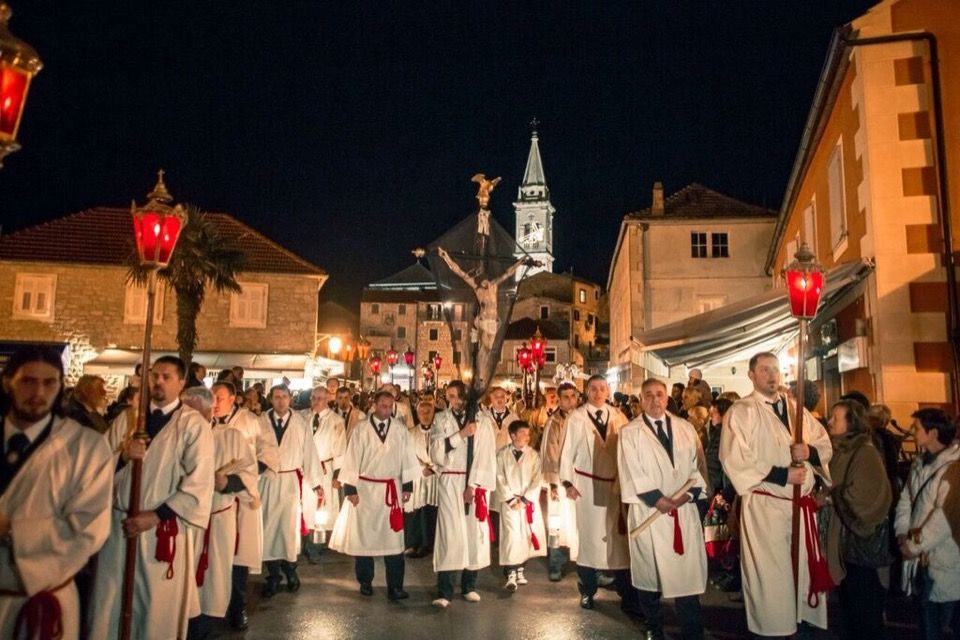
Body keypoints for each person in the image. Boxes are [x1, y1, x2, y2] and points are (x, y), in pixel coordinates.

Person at [91, 355, 215, 640]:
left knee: (155, 608)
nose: (158, 381)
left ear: (181, 383)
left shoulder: (193, 425)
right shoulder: (128, 419)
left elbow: (199, 482)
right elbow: (95, 467)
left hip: (161, 527)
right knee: (111, 602)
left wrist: (156, 515)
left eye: (167, 377)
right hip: (120, 525)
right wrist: (122, 457)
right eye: (154, 375)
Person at [0, 346, 113, 640]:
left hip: (43, 602)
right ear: (7, 382)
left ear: (61, 386)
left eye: (49, 382)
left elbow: (89, 528)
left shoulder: (85, 447)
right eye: (27, 381)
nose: (38, 391)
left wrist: (14, 531)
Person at [720, 352, 833, 638]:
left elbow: (824, 442)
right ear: (752, 375)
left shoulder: (797, 409)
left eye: (776, 369)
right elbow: (734, 457)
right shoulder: (741, 411)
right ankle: (774, 631)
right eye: (765, 370)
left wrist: (810, 452)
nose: (772, 375)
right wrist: (782, 475)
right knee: (772, 579)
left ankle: (800, 625)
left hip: (800, 508)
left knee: (801, 575)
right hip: (766, 509)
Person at [619, 378, 708, 639]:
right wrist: (657, 499)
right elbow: (631, 470)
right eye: (649, 395)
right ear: (641, 399)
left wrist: (690, 494)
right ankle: (654, 627)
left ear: (668, 398)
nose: (655, 400)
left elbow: (696, 468)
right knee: (650, 575)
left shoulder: (685, 428)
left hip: (682, 510)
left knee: (685, 576)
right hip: (650, 513)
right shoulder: (629, 433)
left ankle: (692, 631)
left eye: (660, 394)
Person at [181, 386, 257, 640]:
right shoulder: (175, 436)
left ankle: (207, 624)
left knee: (215, 579)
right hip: (184, 522)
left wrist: (228, 483)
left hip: (218, 516)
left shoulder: (232, 437)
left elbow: (248, 474)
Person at [329, 390, 417, 600]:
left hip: (390, 489)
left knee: (393, 540)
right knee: (365, 538)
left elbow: (407, 457)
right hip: (366, 490)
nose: (386, 410)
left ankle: (395, 586)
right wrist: (350, 489)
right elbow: (351, 458)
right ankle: (365, 581)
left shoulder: (399, 429)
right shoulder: (361, 429)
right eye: (383, 406)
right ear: (374, 405)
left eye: (390, 406)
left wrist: (407, 485)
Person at [559, 375, 635, 612]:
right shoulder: (577, 418)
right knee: (589, 540)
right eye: (593, 389)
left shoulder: (619, 417)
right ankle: (587, 590)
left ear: (608, 391)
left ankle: (627, 594)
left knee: (619, 541)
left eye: (602, 388)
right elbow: (566, 450)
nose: (598, 393)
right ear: (587, 392)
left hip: (614, 487)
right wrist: (567, 482)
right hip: (587, 486)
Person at [818, 399, 891, 640]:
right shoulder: (843, 451)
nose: (830, 422)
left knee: (864, 616)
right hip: (847, 548)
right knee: (852, 613)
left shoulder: (865, 452)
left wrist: (831, 497)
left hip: (861, 551)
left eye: (836, 418)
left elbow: (863, 498)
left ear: (851, 423)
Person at [212, 380, 278, 632]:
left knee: (237, 554)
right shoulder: (203, 422)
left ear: (233, 399)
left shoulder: (251, 421)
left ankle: (237, 606)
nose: (215, 403)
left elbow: (267, 452)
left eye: (220, 398)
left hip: (242, 497)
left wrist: (247, 475)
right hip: (212, 501)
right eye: (212, 398)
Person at [429, 380, 497, 608]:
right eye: (450, 396)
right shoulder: (441, 419)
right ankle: (445, 589)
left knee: (472, 534)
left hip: (472, 483)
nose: (453, 401)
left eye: (457, 396)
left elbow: (485, 454)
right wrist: (461, 434)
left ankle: (469, 585)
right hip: (450, 480)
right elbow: (437, 450)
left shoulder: (484, 420)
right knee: (450, 534)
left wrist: (474, 485)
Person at [896, 408, 960, 640]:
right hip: (920, 561)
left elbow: (944, 517)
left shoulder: (954, 468)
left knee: (946, 624)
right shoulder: (919, 464)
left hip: (945, 560)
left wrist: (913, 545)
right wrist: (902, 532)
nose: (912, 432)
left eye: (917, 428)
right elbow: (906, 500)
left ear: (932, 433)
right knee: (926, 624)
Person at [258, 385, 323, 598]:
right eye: (276, 397)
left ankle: (291, 572)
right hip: (266, 481)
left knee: (288, 530)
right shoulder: (259, 422)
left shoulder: (300, 423)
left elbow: (309, 453)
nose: (280, 401)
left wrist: (316, 483)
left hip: (289, 483)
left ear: (290, 399)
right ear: (270, 399)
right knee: (267, 529)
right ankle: (273, 576)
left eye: (284, 397)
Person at [299, 386, 347, 564]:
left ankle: (316, 546)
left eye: (320, 398)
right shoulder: (302, 416)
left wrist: (338, 475)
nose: (316, 401)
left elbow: (341, 450)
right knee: (304, 506)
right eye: (313, 398)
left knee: (321, 509)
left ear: (327, 399)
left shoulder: (336, 420)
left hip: (324, 468)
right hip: (304, 468)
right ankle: (303, 541)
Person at [496, 420, 545, 592]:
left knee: (525, 534)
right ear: (513, 435)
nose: (527, 436)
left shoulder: (533, 455)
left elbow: (537, 479)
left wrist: (525, 499)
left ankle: (521, 568)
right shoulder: (502, 454)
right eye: (523, 433)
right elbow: (499, 476)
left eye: (527, 433)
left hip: (526, 501)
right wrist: (510, 499)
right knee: (510, 535)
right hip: (510, 501)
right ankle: (510, 572)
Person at [541, 381, 580, 581]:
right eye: (565, 397)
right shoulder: (553, 422)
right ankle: (556, 564)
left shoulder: (583, 418)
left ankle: (589, 567)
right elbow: (550, 454)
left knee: (583, 524)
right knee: (557, 523)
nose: (570, 400)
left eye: (573, 396)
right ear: (559, 399)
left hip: (580, 480)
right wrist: (554, 484)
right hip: (559, 481)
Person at [404, 399, 439, 558]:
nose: (425, 415)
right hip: (417, 476)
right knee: (415, 510)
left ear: (433, 413)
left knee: (430, 511)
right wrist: (421, 467)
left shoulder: (439, 432)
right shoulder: (410, 433)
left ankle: (428, 544)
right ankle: (412, 543)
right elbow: (406, 455)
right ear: (417, 414)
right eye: (421, 412)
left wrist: (432, 468)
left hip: (435, 477)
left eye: (428, 412)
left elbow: (445, 453)